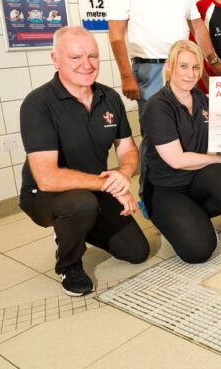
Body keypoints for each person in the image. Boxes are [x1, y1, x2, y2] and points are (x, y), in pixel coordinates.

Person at [18, 26, 150, 297]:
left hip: (92, 189)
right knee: (81, 204)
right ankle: (69, 263)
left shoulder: (109, 98)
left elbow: (127, 149)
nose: (86, 65)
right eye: (75, 57)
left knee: (136, 251)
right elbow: (47, 177)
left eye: (93, 56)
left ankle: (77, 227)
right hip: (43, 195)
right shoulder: (38, 104)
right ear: (55, 59)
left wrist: (123, 175)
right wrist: (108, 185)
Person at [109, 0, 221, 200]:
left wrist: (212, 62)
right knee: (155, 136)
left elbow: (197, 26)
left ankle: (188, 189)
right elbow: (116, 34)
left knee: (191, 129)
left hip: (184, 67)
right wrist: (126, 75)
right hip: (149, 71)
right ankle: (152, 196)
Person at [140, 40, 221, 263]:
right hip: (164, 187)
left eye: (196, 67)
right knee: (198, 252)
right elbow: (177, 160)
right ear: (170, 66)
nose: (190, 74)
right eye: (184, 66)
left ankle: (190, 218)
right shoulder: (158, 105)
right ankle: (176, 221)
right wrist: (220, 160)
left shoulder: (201, 99)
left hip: (194, 179)